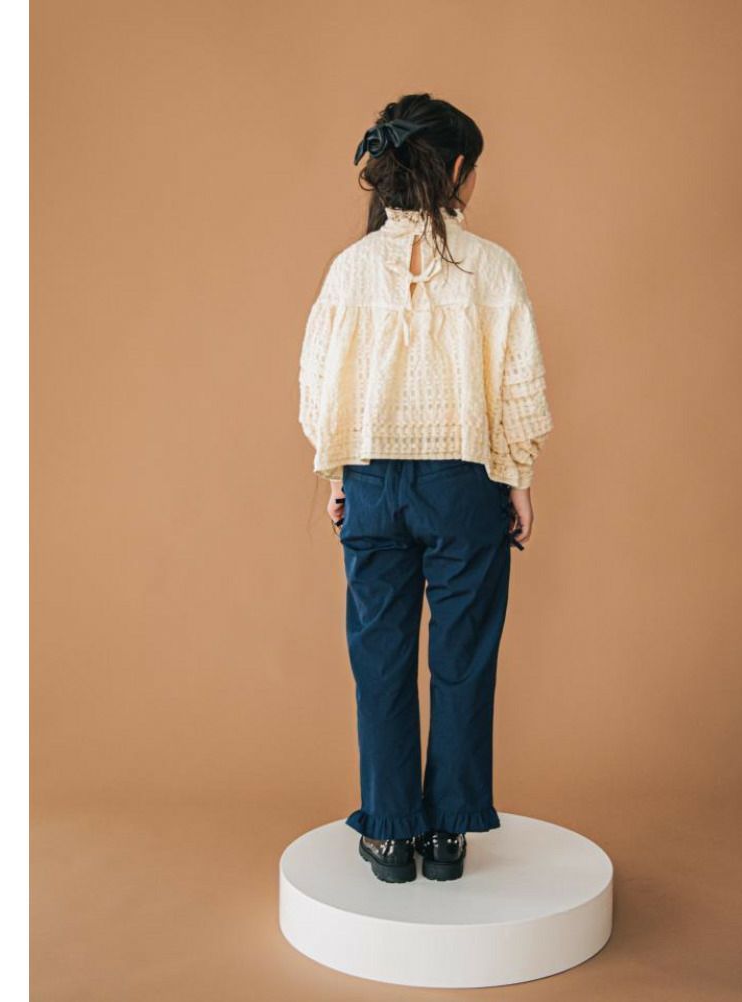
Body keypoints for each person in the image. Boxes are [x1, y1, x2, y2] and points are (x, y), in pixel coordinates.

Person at [298, 93, 554, 883]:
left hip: (373, 481)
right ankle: (447, 833)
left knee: (379, 659)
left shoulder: (349, 269)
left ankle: (388, 835)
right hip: (464, 483)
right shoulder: (493, 268)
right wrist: (518, 478)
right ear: (458, 170)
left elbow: (320, 385)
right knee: (463, 659)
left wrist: (337, 472)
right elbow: (517, 384)